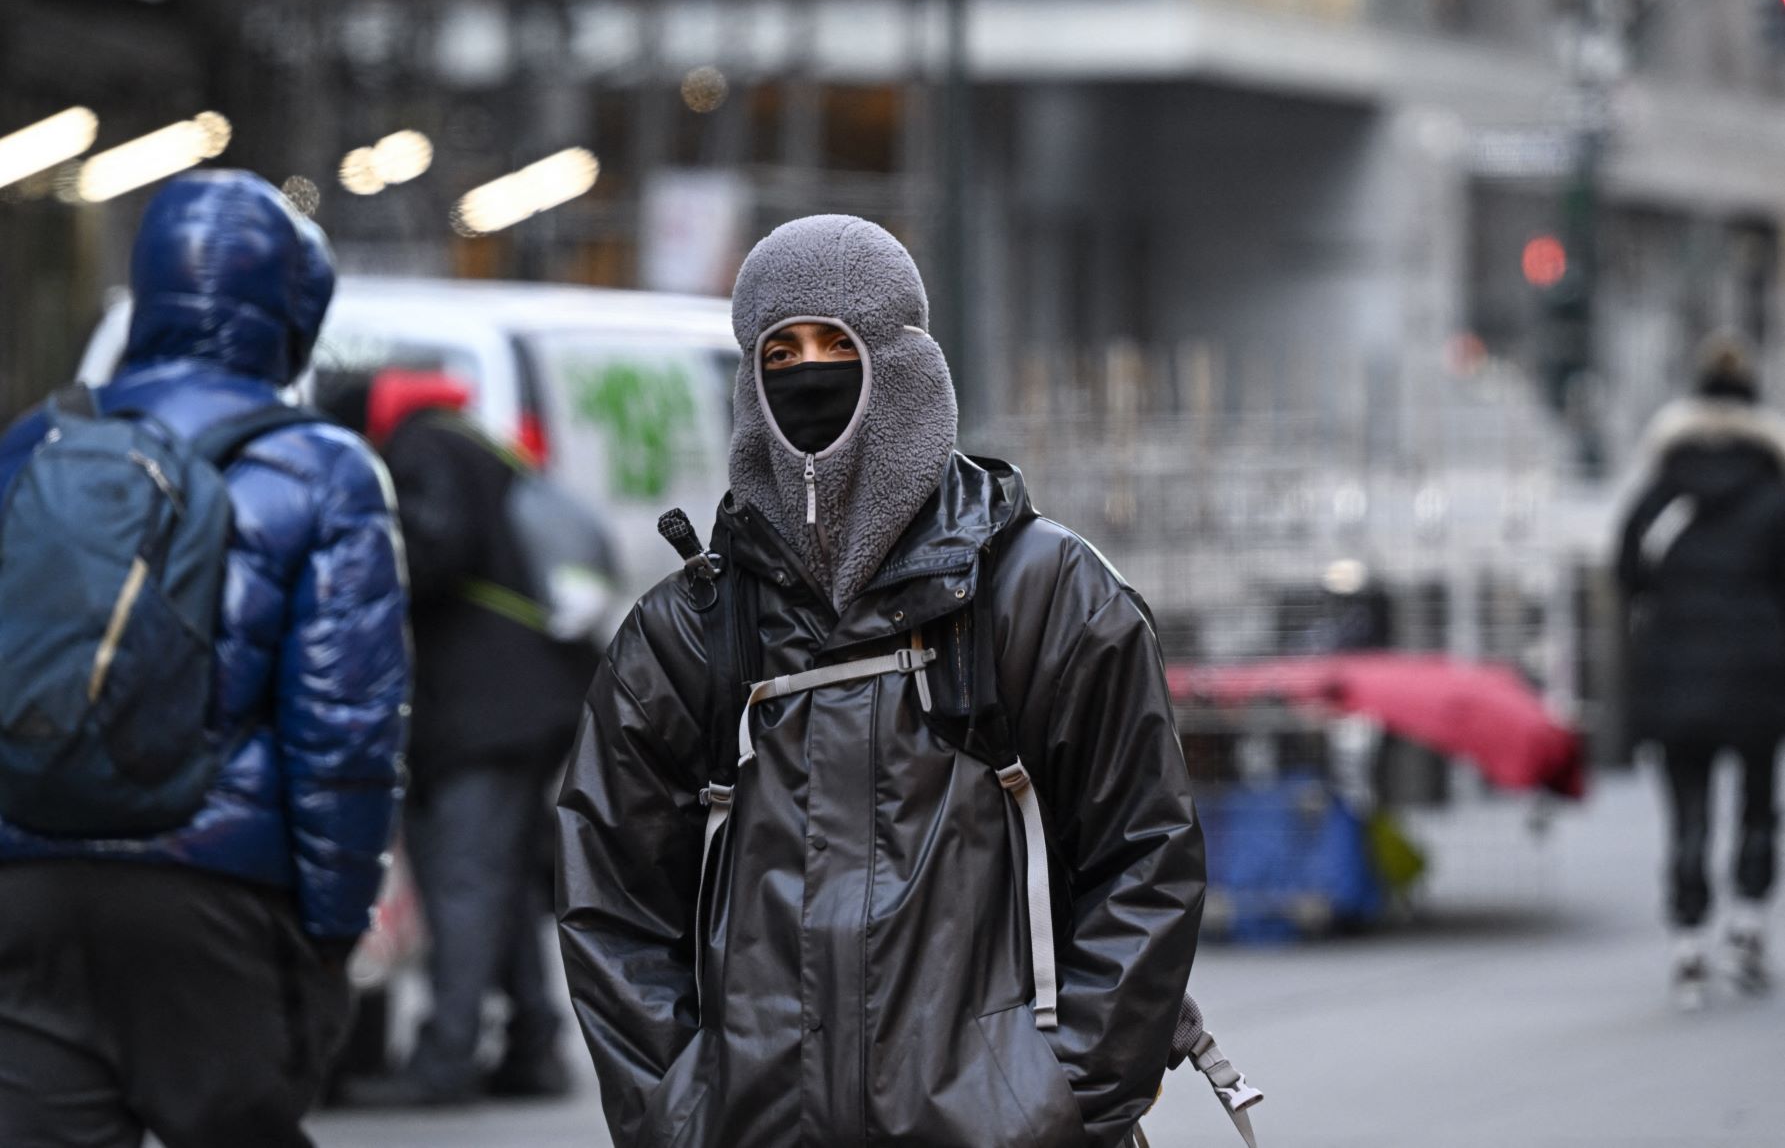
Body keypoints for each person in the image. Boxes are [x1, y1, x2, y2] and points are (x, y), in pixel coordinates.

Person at [557, 215, 1204, 1147]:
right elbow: (611, 897)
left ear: (903, 364)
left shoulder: (1044, 592)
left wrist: (1059, 1105)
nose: (809, 375)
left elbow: (1144, 857)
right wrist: (679, 1114)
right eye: (780, 352)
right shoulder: (689, 627)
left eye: (838, 345)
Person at [0, 172, 409, 1145]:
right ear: (295, 314)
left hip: (27, 886)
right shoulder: (325, 470)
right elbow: (344, 731)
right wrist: (333, 929)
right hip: (215, 892)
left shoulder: (33, 442)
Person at [326, 368, 595, 1105]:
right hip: (525, 696)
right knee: (499, 880)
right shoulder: (472, 440)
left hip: (483, 709)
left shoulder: (421, 449)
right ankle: (533, 1048)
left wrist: (353, 546)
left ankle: (444, 1059)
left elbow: (434, 547)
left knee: (464, 880)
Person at [1618, 333, 1785, 1008]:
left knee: (1687, 808)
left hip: (1675, 667)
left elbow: (1627, 573)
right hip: (1759, 669)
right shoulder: (1774, 491)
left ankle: (1688, 942)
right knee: (1757, 802)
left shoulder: (1663, 489)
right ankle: (1747, 929)